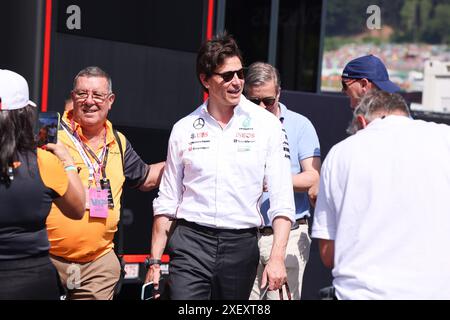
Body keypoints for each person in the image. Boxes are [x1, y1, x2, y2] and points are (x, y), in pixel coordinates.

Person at [145, 33, 295, 300]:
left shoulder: (267, 125)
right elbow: (167, 200)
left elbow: (282, 199)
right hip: (191, 241)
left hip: (241, 243)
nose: (237, 82)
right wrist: (154, 263)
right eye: (226, 76)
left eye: (240, 73)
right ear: (205, 80)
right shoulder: (184, 128)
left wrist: (277, 258)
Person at [311, 90, 450, 299]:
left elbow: (328, 255)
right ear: (403, 112)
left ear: (361, 121)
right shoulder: (444, 138)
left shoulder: (341, 154)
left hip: (361, 294)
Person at [46, 66, 165, 300]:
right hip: (48, 260)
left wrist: (183, 160)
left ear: (110, 100)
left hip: (97, 265)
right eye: (82, 94)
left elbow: (145, 177)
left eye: (97, 95)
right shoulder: (50, 135)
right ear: (73, 97)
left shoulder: (118, 142)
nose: (89, 101)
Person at [0, 69, 85, 300]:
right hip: (33, 282)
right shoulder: (44, 162)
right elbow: (77, 209)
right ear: (25, 114)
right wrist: (66, 160)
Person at [244, 62, 321, 300]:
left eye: (268, 101)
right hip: (244, 235)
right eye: (254, 101)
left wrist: (276, 180)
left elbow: (313, 177)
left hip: (290, 233)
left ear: (279, 93)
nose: (261, 107)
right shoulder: (237, 124)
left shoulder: (300, 125)